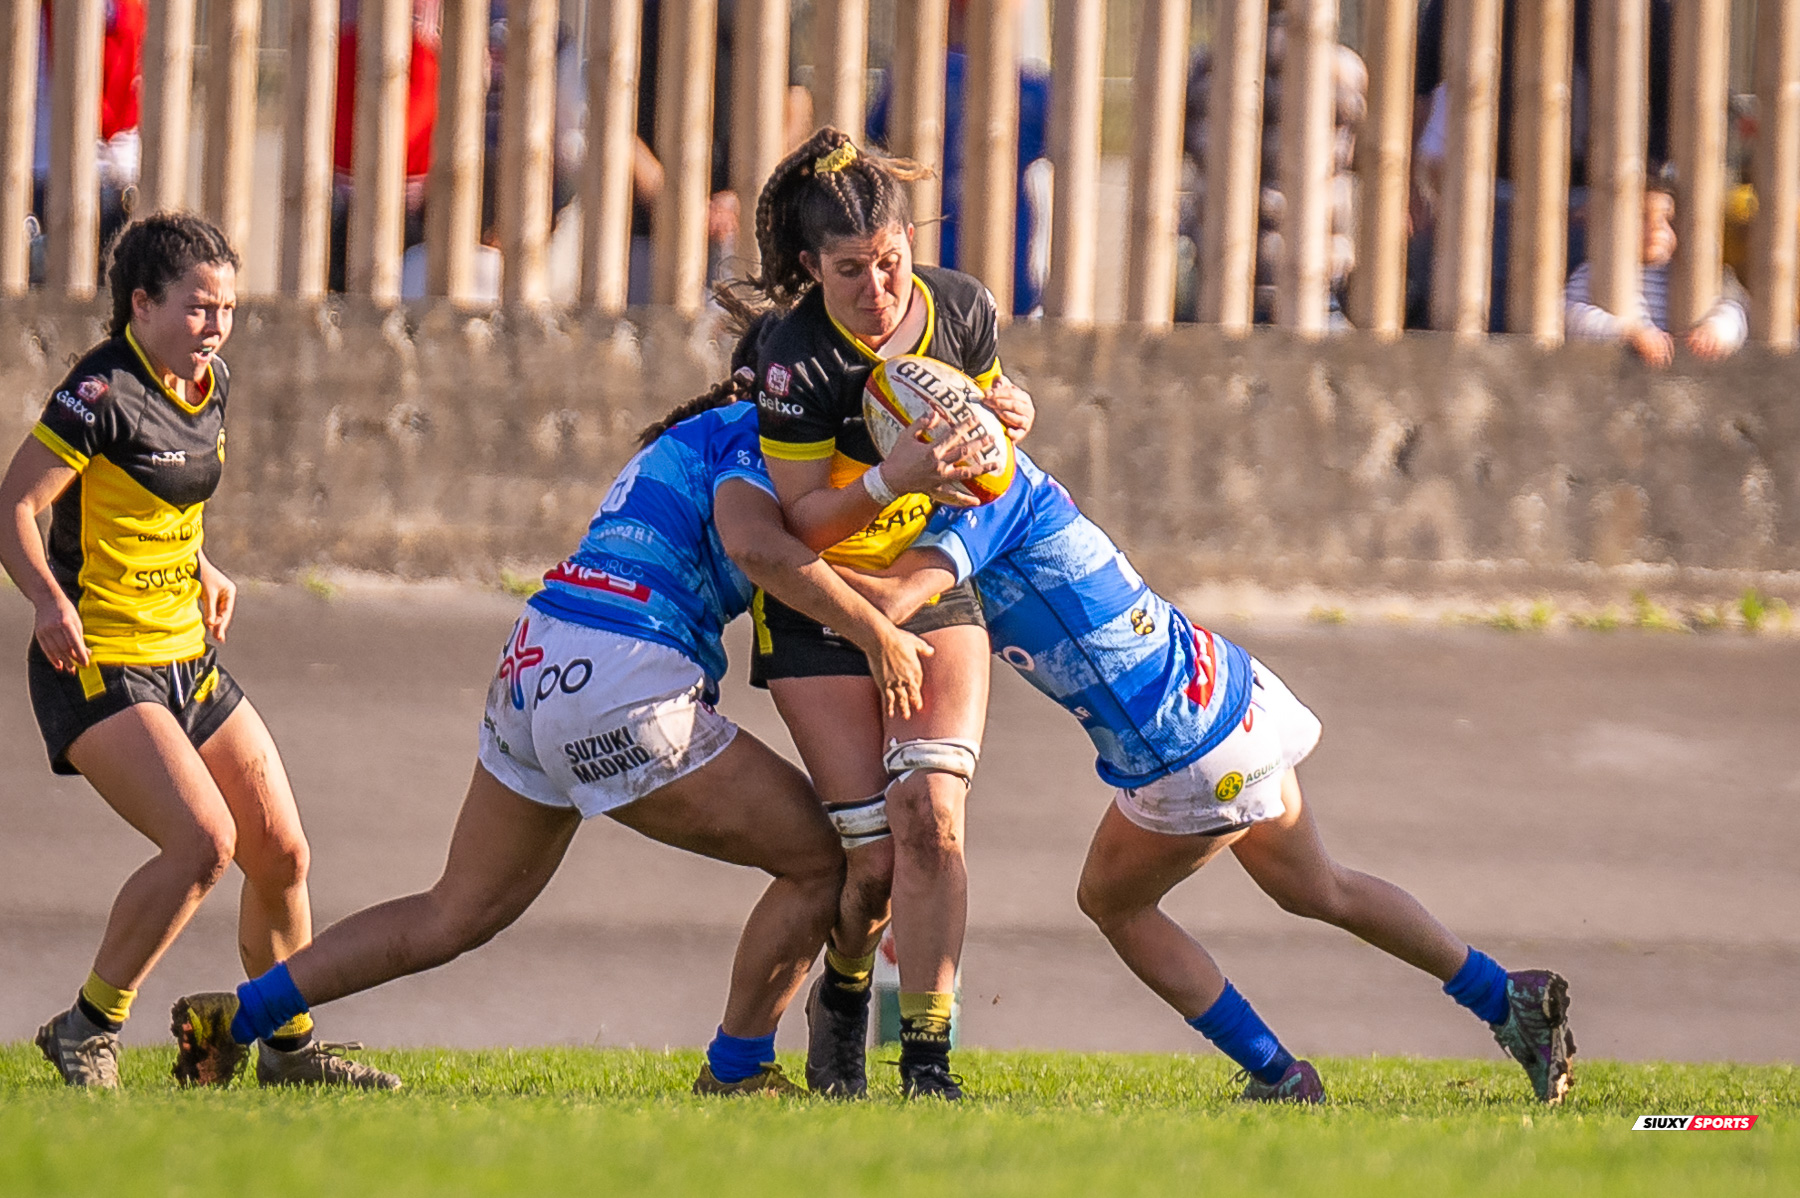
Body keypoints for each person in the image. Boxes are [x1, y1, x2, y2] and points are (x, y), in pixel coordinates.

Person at [164, 342, 977, 1096]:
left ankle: (234, 1018)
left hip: (534, 659)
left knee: (455, 910)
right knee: (822, 861)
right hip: (623, 677)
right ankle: (738, 1069)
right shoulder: (755, 437)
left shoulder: (688, 436)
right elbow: (767, 551)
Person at [840, 447, 1577, 1106]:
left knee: (1113, 904)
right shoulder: (1013, 476)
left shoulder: (977, 511)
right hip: (1228, 689)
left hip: (1185, 751)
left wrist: (776, 549)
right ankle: (1506, 997)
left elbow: (888, 603)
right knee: (1318, 886)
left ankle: (1276, 1073)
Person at [0, 213, 395, 1090]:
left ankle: (288, 1050)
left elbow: (153, 505)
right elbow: (15, 507)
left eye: (226, 308)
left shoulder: (207, 382)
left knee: (281, 850)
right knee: (203, 844)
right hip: (98, 658)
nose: (214, 325)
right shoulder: (102, 392)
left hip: (189, 655)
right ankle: (88, 1027)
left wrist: (204, 565)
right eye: (196, 307)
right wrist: (45, 601)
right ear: (140, 304)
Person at [729, 127, 1033, 1100]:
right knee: (867, 862)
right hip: (821, 604)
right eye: (852, 270)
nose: (879, 288)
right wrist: (892, 479)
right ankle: (844, 998)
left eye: (892, 261)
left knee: (932, 817)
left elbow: (986, 460)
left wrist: (1009, 415)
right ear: (811, 268)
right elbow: (801, 527)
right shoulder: (793, 362)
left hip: (931, 587)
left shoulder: (962, 309)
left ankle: (930, 1058)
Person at [1565, 176, 1748, 367]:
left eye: (1668, 218)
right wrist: (1628, 333)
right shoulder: (1596, 271)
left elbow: (1735, 311)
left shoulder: (1688, 276)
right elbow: (1570, 316)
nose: (1657, 227)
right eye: (1643, 216)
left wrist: (1716, 330)